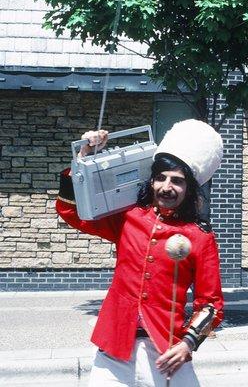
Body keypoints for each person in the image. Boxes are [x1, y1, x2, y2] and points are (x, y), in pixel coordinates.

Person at [56, 120, 224, 386]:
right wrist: (83, 158)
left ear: (189, 188)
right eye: (161, 178)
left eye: (177, 181)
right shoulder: (129, 217)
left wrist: (188, 344)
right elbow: (73, 213)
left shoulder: (200, 237)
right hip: (113, 348)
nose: (166, 187)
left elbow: (211, 305)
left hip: (166, 351)